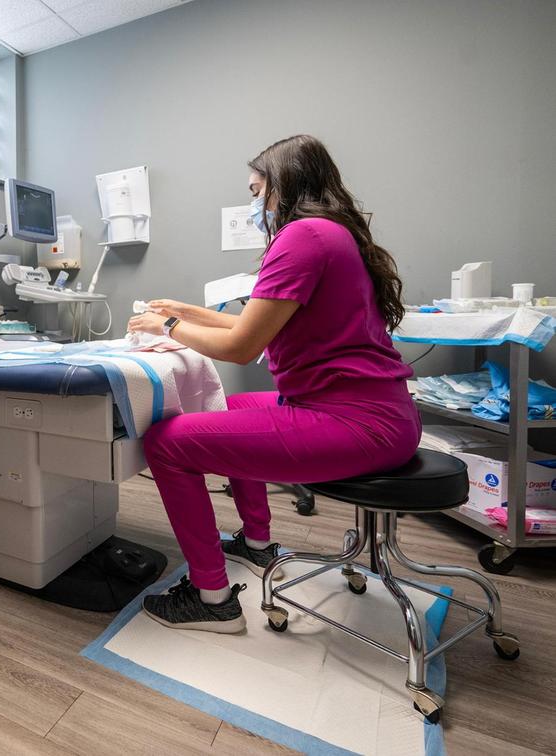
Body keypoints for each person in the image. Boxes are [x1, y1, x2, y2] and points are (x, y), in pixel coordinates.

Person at [128, 134, 419, 634]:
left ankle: (211, 598)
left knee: (166, 443)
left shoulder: (302, 237)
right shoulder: (332, 234)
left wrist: (168, 328)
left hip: (355, 422)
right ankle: (257, 544)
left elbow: (241, 347)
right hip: (374, 412)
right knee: (230, 405)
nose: (253, 203)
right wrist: (181, 309)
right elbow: (253, 326)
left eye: (256, 190)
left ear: (284, 184)